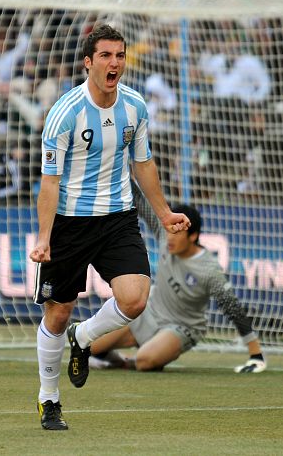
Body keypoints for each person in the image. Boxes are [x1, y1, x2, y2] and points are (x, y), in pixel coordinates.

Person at [29, 24, 189, 430]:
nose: (114, 62)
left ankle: (85, 338)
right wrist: (44, 237)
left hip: (118, 217)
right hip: (69, 222)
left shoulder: (135, 107)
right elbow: (49, 181)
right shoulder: (65, 113)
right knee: (58, 313)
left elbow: (143, 164)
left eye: (119, 55)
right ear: (89, 62)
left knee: (135, 299)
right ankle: (49, 399)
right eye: (105, 55)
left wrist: (166, 213)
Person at [88, 183, 266, 374]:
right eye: (169, 230)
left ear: (193, 236)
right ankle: (118, 361)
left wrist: (256, 355)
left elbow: (232, 308)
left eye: (178, 232)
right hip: (149, 314)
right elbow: (140, 200)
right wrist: (121, 166)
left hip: (181, 327)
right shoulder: (167, 238)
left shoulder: (209, 270)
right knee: (88, 346)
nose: (170, 237)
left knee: (144, 361)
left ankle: (140, 356)